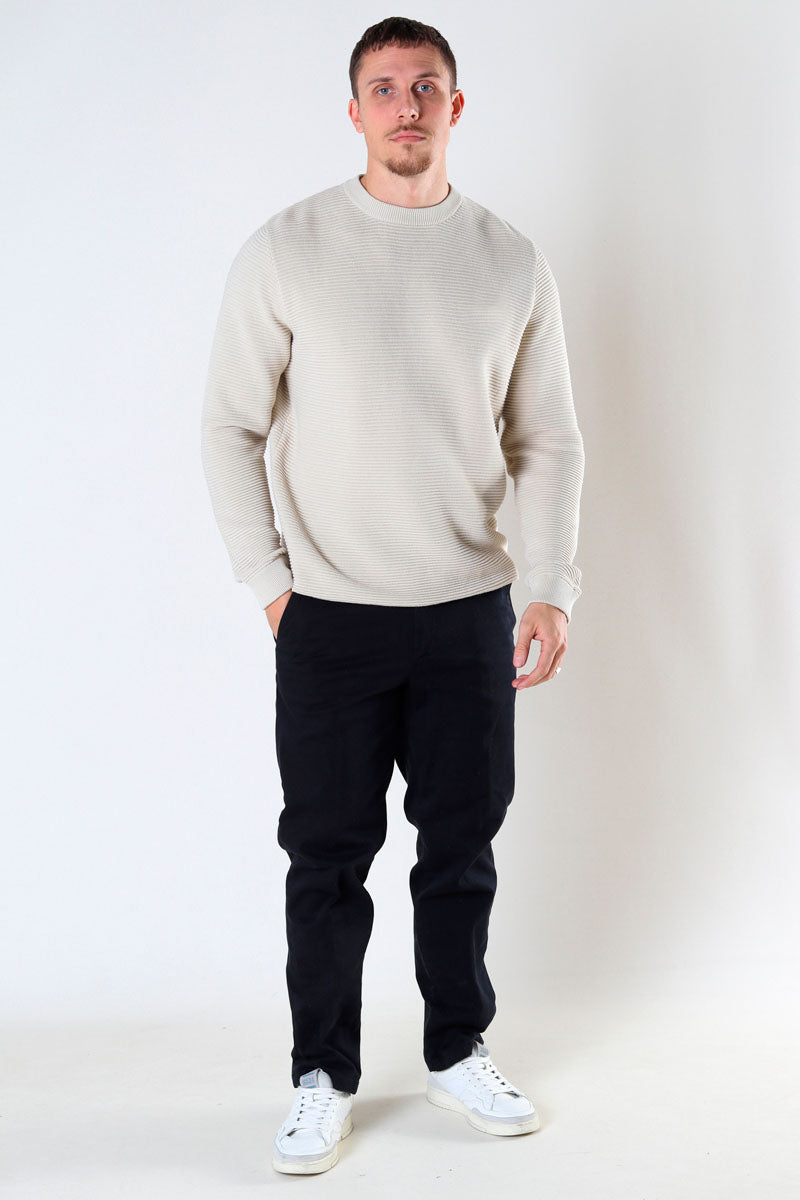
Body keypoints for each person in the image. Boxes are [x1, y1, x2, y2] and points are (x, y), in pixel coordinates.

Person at [200, 15, 585, 1176]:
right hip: (328, 616)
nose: (405, 105)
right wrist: (271, 586)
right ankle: (321, 1075)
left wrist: (548, 586)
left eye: (425, 87)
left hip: (467, 610)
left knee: (459, 851)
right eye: (383, 87)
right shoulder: (287, 250)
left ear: (454, 108)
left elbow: (546, 441)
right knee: (325, 857)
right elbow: (228, 426)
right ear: (354, 110)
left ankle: (457, 1050)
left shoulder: (507, 261)